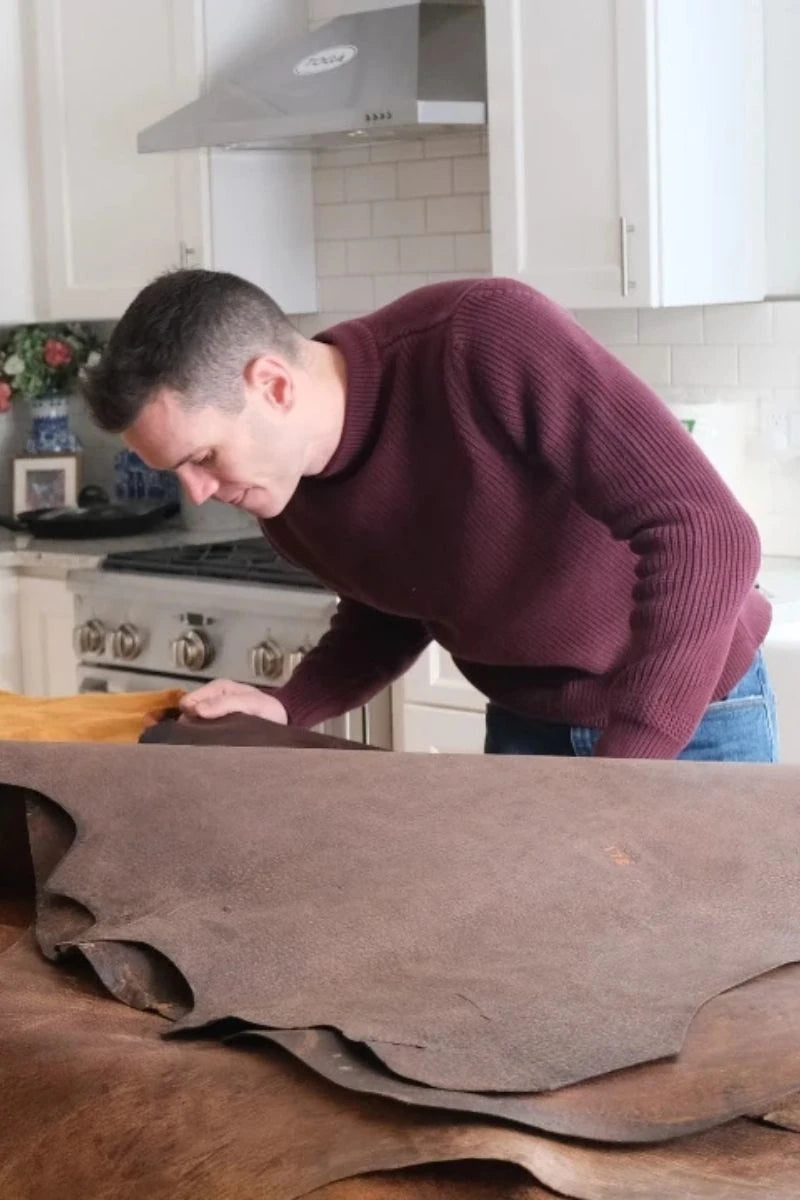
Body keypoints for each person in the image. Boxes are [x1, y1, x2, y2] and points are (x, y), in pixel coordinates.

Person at [83, 269, 777, 762]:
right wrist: (291, 704)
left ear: (273, 385)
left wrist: (628, 769)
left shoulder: (484, 337)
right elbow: (395, 604)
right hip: (524, 729)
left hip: (693, 722)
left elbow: (705, 532)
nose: (197, 492)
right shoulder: (281, 492)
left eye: (202, 455)